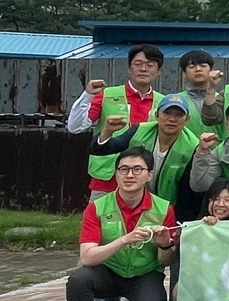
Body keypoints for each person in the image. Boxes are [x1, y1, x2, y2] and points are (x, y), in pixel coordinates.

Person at [63, 147, 178, 301]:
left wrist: (164, 245)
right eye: (123, 169)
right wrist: (124, 240)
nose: (129, 175)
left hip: (144, 274)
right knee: (78, 280)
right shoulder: (97, 207)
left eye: (137, 169)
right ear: (116, 174)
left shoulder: (164, 209)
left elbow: (166, 261)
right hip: (108, 272)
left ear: (149, 175)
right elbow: (87, 257)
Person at [68, 43, 166, 193]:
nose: (143, 69)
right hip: (107, 179)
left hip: (146, 182)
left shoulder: (164, 103)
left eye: (150, 65)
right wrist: (87, 95)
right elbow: (75, 127)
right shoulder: (106, 94)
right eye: (138, 64)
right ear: (129, 68)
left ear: (158, 71)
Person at [87, 93, 201, 219]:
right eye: (167, 113)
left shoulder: (193, 147)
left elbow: (188, 193)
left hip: (169, 207)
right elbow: (99, 149)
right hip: (133, 200)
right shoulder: (139, 131)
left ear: (187, 119)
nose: (172, 119)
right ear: (157, 115)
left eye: (179, 115)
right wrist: (107, 131)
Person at [175, 49, 224, 139]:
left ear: (211, 70)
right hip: (185, 148)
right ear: (184, 73)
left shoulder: (223, 99)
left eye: (203, 66)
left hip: (218, 147)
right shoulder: (176, 100)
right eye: (192, 66)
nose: (198, 69)